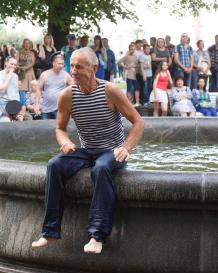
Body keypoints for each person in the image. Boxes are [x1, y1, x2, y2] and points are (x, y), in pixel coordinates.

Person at [31, 47, 144, 254]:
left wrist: (126, 148)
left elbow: (138, 122)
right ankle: (50, 231)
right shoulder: (66, 96)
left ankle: (96, 236)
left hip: (113, 151)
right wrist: (64, 142)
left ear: (94, 68)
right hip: (87, 150)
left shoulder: (110, 91)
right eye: (71, 66)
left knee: (100, 168)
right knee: (54, 165)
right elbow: (60, 129)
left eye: (78, 67)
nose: (73, 71)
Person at [34, 53, 73, 120]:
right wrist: (37, 105)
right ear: (53, 63)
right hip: (45, 108)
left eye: (62, 64)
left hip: (60, 108)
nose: (61, 66)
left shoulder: (66, 75)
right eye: (59, 63)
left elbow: (74, 88)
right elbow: (38, 89)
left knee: (59, 128)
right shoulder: (45, 74)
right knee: (45, 129)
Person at [134, 40, 145, 105]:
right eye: (139, 44)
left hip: (142, 72)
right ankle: (136, 101)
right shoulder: (133, 51)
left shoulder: (143, 51)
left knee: (142, 86)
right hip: (134, 72)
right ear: (136, 44)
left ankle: (141, 101)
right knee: (136, 87)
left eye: (141, 44)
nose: (140, 45)